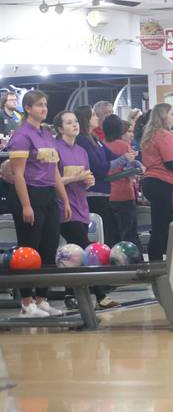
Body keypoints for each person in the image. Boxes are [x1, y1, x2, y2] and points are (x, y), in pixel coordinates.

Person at [7, 90, 71, 317]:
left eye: (45, 104)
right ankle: (26, 302)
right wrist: (26, 205)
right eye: (39, 105)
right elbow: (18, 175)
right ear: (28, 108)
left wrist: (64, 198)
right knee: (29, 250)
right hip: (29, 194)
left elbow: (53, 171)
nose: (43, 109)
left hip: (48, 196)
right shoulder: (22, 136)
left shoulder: (47, 134)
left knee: (49, 248)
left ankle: (42, 299)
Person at [53, 110, 118, 310]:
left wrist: (88, 180)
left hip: (81, 205)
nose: (74, 125)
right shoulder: (55, 149)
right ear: (60, 128)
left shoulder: (81, 150)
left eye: (75, 122)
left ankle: (70, 295)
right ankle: (100, 295)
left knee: (75, 252)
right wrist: (75, 178)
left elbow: (87, 179)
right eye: (69, 122)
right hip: (63, 206)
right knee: (85, 248)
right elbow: (53, 180)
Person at [75, 105, 132, 248]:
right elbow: (98, 168)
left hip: (103, 191)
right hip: (94, 193)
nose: (97, 117)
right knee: (107, 233)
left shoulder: (94, 138)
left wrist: (130, 160)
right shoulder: (83, 140)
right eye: (93, 115)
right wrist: (124, 159)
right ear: (86, 119)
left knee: (110, 232)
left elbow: (110, 156)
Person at [140, 104, 173, 262]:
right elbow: (171, 163)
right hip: (163, 182)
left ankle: (155, 260)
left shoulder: (151, 133)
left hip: (151, 181)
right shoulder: (164, 134)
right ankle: (164, 262)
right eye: (172, 113)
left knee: (159, 225)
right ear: (163, 116)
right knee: (166, 226)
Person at [103, 115, 143, 249]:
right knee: (129, 233)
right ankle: (132, 262)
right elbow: (130, 167)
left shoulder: (101, 145)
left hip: (107, 194)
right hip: (124, 193)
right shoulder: (123, 146)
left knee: (111, 233)